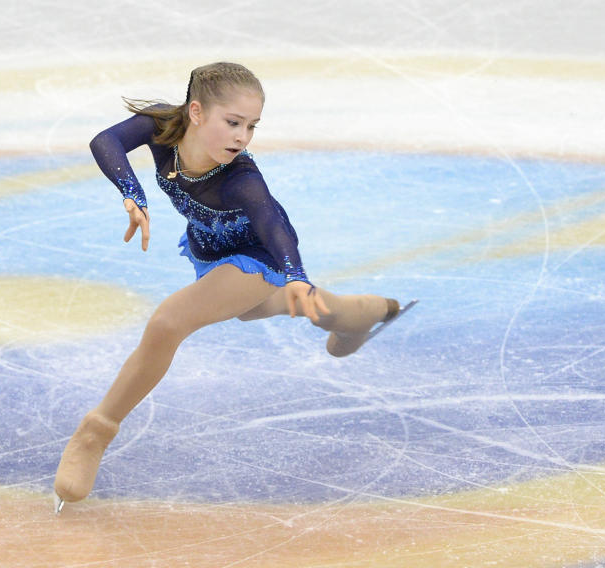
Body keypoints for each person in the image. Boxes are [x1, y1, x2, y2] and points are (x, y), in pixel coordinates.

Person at [54, 62, 407, 508]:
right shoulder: (165, 125)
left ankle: (95, 431)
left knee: (168, 323)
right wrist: (133, 193)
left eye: (252, 127)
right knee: (266, 306)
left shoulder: (241, 180)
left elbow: (275, 224)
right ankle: (359, 314)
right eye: (234, 122)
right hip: (210, 251)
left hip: (259, 256)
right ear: (197, 113)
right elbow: (105, 141)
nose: (242, 137)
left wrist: (295, 273)